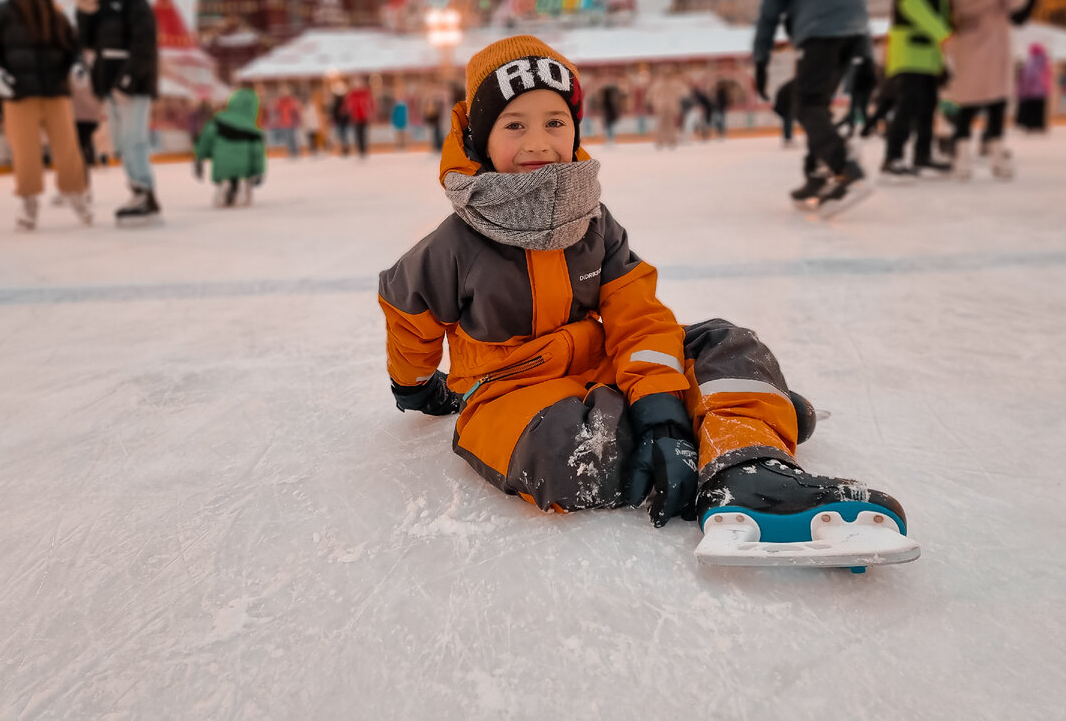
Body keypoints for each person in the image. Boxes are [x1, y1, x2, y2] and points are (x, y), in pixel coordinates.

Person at [378, 34, 911, 561]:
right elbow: (407, 311)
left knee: (721, 343)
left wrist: (659, 409)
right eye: (514, 125)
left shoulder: (594, 224)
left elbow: (638, 317)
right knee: (562, 455)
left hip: (603, 369)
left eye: (554, 122)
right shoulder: (453, 245)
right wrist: (419, 386)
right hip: (512, 392)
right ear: (479, 136)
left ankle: (747, 462)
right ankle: (719, 420)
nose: (537, 142)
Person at [752, 0, 871, 213]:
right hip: (853, 33)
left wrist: (761, 57)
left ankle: (845, 168)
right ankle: (819, 173)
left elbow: (771, 5)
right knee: (802, 100)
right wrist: (866, 50)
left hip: (821, 34)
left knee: (805, 103)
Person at [0, 0, 91, 230]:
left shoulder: (56, 15)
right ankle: (29, 200)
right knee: (25, 151)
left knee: (68, 149)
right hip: (19, 93)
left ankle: (75, 193)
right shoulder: (2, 13)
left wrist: (78, 66)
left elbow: (73, 48)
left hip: (55, 92)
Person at [75, 0, 161, 224]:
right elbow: (87, 42)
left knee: (135, 139)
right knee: (121, 141)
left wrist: (127, 79)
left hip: (132, 83)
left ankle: (145, 193)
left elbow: (144, 44)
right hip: (108, 83)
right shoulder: (100, 2)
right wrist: (84, 12)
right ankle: (135, 191)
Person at [881, 0, 967, 179]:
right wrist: (942, 32)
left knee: (929, 102)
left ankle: (923, 154)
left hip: (928, 47)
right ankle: (892, 157)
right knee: (910, 101)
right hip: (911, 44)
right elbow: (911, 2)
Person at [946, 0, 1035, 181]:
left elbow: (1015, 7)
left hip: (998, 47)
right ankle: (963, 153)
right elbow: (966, 8)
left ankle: (996, 152)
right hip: (973, 46)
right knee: (969, 102)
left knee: (998, 101)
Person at [193, 88, 266, 207]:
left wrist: (199, 157)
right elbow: (257, 154)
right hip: (243, 167)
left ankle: (225, 191)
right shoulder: (253, 131)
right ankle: (238, 191)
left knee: (226, 179)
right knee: (239, 178)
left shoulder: (217, 122)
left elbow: (205, 141)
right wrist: (258, 171)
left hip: (222, 165)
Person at [69, 66, 102, 193]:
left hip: (77, 112)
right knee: (82, 146)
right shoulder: (93, 58)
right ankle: (83, 186)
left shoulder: (76, 60)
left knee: (77, 149)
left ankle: (80, 187)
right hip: (90, 112)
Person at [645, 66, 687, 149]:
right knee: (668, 124)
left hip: (663, 106)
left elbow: (649, 95)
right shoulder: (674, 83)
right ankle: (669, 141)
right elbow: (685, 93)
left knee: (663, 124)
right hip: (668, 106)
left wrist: (652, 101)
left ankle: (663, 141)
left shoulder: (658, 83)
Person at [1016, 43, 1051, 134]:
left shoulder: (1032, 61)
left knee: (1032, 110)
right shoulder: (1044, 61)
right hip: (1042, 91)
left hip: (1032, 92)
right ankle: (1039, 125)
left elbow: (1030, 77)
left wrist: (1023, 91)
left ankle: (1032, 125)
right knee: (1039, 110)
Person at [346, 77, 373, 158]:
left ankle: (364, 150)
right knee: (358, 134)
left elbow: (371, 104)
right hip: (356, 118)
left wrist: (370, 113)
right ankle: (361, 150)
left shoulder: (366, 93)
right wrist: (351, 114)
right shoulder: (352, 94)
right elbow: (349, 106)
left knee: (364, 134)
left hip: (365, 117)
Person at [329, 81, 350, 156]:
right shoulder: (343, 100)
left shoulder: (339, 100)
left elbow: (334, 111)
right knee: (342, 135)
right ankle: (344, 148)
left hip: (340, 121)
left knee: (342, 135)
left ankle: (345, 148)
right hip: (342, 121)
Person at [301, 88, 322, 157]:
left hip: (313, 125)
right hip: (308, 126)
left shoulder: (312, 107)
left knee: (314, 139)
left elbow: (314, 117)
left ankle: (316, 150)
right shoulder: (304, 108)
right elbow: (304, 118)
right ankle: (312, 151)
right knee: (310, 139)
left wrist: (317, 125)